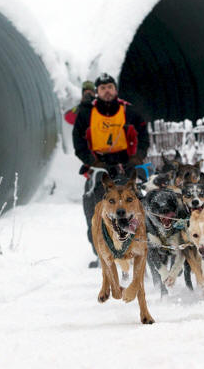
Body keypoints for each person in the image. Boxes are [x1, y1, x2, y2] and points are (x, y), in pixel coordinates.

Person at [72, 72, 150, 268]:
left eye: (110, 87)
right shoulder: (87, 113)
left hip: (125, 166)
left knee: (137, 209)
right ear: (97, 92)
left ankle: (140, 249)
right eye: (102, 88)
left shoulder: (128, 111)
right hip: (99, 169)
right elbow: (78, 142)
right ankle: (101, 253)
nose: (107, 91)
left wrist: (136, 158)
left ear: (115, 90)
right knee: (94, 214)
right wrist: (93, 162)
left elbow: (143, 134)